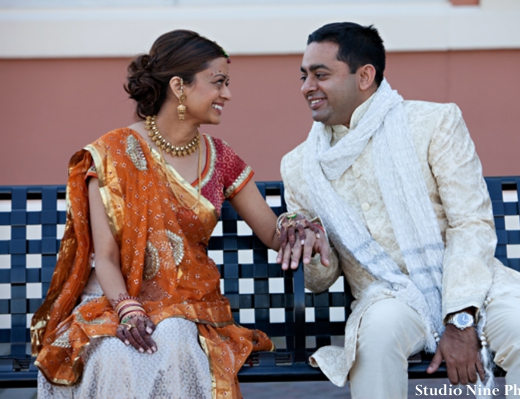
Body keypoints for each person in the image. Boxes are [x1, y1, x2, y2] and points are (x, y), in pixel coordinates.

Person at [279, 22, 520, 399]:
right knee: (374, 340)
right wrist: (310, 245)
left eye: (320, 74)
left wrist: (460, 318)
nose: (306, 87)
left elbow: (470, 223)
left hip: (474, 287)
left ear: (364, 76)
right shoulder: (300, 166)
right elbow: (319, 281)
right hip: (388, 296)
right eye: (304, 75)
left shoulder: (433, 123)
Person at [31, 29, 327, 399]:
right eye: (218, 83)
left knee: (172, 339)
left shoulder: (221, 158)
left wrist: (299, 227)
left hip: (187, 305)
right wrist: (127, 310)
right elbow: (104, 257)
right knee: (110, 354)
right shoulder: (112, 154)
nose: (227, 94)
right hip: (111, 300)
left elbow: (272, 231)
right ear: (179, 86)